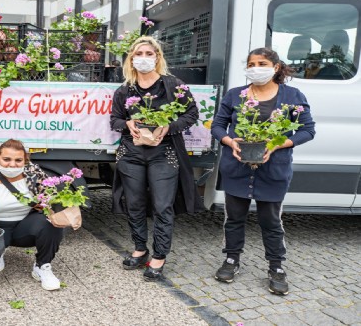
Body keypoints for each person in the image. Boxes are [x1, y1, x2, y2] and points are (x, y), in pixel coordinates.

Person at [210, 47, 315, 295]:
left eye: (262, 63)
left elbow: (307, 130)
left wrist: (277, 143)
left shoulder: (292, 95)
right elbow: (218, 125)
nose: (256, 68)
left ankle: (276, 267)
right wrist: (230, 141)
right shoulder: (236, 95)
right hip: (236, 166)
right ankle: (232, 259)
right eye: (252, 63)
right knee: (234, 218)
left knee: (271, 221)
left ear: (276, 67)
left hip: (273, 169)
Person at [109, 36, 201, 281]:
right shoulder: (125, 89)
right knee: (135, 204)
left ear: (158, 57)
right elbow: (115, 120)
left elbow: (192, 113)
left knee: (162, 206)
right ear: (131, 58)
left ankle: (159, 256)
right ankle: (140, 249)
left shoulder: (173, 85)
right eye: (139, 54)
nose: (144, 58)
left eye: (150, 54)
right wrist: (128, 124)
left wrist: (168, 127)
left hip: (165, 153)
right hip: (131, 154)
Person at [0, 139, 65, 291]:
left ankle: (42, 266)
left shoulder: (34, 173)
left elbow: (51, 193)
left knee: (52, 223)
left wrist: (44, 201)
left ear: (25, 160)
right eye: (6, 159)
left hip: (25, 225)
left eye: (18, 160)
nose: (12, 164)